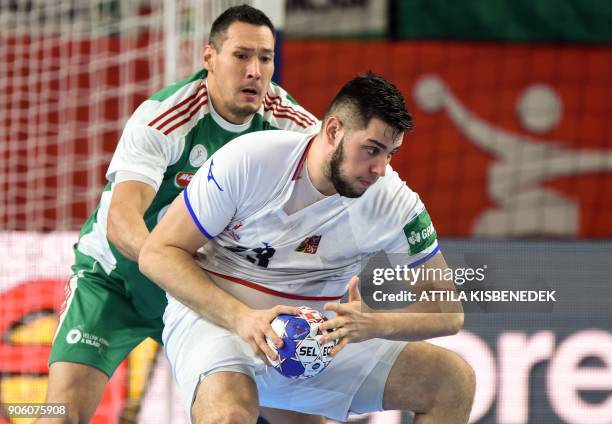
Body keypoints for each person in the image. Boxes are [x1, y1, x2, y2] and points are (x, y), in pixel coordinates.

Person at [139, 72, 476, 423]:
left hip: (311, 343)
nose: (380, 168)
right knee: (230, 414)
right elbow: (157, 253)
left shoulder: (395, 204)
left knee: (452, 381)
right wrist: (242, 318)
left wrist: (373, 323)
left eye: (390, 154)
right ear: (333, 131)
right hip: (218, 323)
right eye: (372, 150)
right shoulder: (251, 160)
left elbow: (448, 309)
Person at [42, 5, 324, 424]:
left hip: (207, 292)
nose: (255, 71)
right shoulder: (164, 117)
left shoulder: (295, 131)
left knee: (273, 417)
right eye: (241, 55)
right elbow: (122, 221)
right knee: (57, 413)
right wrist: (173, 267)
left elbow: (334, 209)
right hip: (116, 281)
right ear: (209, 57)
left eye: (265, 58)